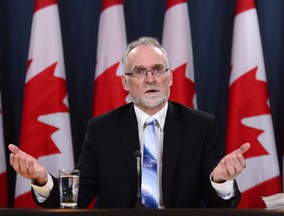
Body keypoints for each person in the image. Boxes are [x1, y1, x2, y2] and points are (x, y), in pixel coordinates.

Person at [9, 36, 250, 208]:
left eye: (157, 70)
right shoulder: (101, 129)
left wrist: (220, 181)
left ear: (170, 77)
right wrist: (42, 180)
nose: (150, 79)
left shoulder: (201, 126)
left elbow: (220, 204)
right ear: (126, 82)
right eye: (139, 72)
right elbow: (76, 198)